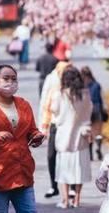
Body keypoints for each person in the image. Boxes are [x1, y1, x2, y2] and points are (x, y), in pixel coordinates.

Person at [0, 65, 45, 213]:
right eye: (6, 78)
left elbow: (31, 130)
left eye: (14, 79)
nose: (10, 82)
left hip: (23, 173)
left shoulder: (24, 105)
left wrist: (36, 136)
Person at [50, 66, 92, 209]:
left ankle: (65, 200)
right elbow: (89, 112)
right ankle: (77, 199)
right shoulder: (85, 94)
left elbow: (54, 110)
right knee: (79, 169)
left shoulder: (59, 95)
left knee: (63, 169)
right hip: (81, 137)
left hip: (64, 138)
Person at [38, 61, 70, 198]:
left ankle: (71, 187)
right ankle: (53, 185)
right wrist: (43, 126)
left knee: (69, 156)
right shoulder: (52, 81)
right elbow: (46, 105)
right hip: (54, 125)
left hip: (69, 125)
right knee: (51, 156)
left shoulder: (73, 83)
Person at [80, 66, 107, 161]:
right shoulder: (97, 85)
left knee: (90, 132)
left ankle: (90, 154)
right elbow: (101, 99)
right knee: (98, 132)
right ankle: (98, 149)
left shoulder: (81, 86)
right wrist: (104, 110)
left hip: (87, 111)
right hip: (97, 109)